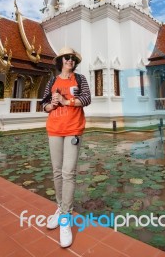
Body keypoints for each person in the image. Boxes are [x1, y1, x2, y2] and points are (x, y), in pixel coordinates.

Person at [42, 47, 91, 248]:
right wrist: (52, 104)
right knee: (56, 172)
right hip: (54, 129)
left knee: (68, 172)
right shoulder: (52, 81)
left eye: (72, 58)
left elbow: (87, 99)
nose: (70, 60)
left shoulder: (79, 79)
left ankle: (65, 218)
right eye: (66, 58)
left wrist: (66, 100)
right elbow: (43, 104)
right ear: (60, 60)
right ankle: (61, 207)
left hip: (73, 130)